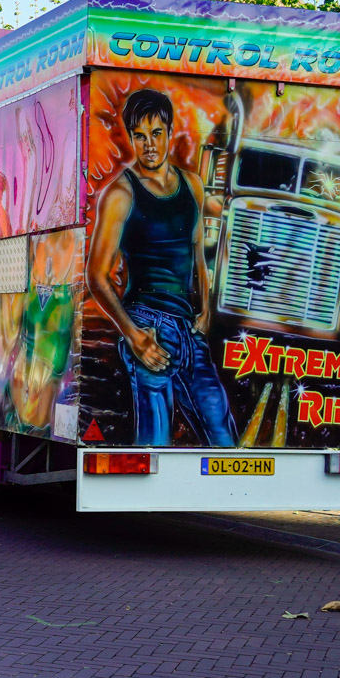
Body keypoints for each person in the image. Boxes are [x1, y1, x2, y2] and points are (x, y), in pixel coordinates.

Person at [87, 87, 234, 446]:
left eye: (156, 133)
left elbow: (197, 251)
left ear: (169, 132)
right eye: (140, 136)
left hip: (189, 330)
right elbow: (96, 275)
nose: (149, 145)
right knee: (155, 442)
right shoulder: (121, 194)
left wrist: (205, 310)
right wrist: (133, 334)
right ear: (131, 138)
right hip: (148, 325)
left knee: (223, 438)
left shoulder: (192, 184)